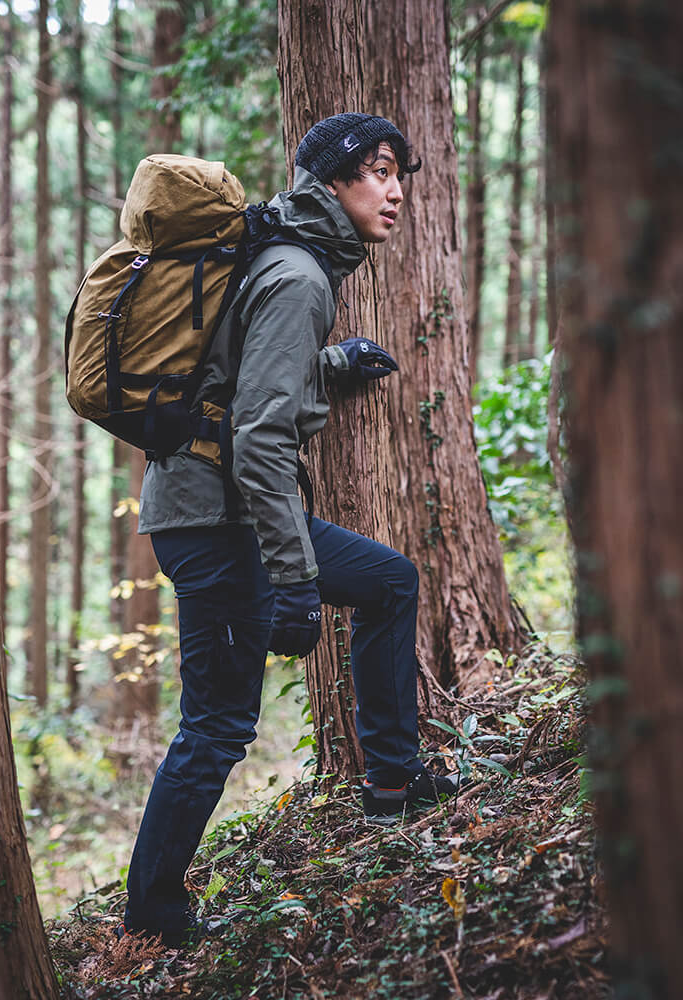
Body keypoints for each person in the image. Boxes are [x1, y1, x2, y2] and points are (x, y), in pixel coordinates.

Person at [121, 113, 460, 947]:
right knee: (217, 727)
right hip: (219, 520)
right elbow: (260, 436)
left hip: (217, 509)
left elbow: (244, 377)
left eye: (400, 175)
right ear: (335, 181)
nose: (396, 190)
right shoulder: (300, 274)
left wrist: (334, 365)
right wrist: (295, 578)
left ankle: (391, 781)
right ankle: (153, 913)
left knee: (388, 582)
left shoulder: (285, 262)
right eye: (379, 171)